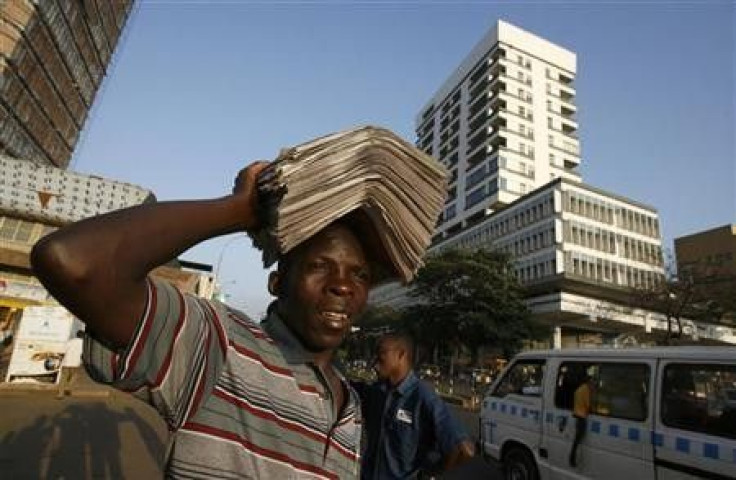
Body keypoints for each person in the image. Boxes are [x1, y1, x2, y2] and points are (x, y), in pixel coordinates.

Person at [31, 162, 385, 478]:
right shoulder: (219, 344)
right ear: (277, 283)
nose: (342, 285)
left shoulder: (351, 410)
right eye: (319, 266)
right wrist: (236, 211)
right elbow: (72, 261)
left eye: (360, 275)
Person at [353, 333, 475, 479]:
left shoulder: (424, 398)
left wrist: (429, 473)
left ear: (401, 355)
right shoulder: (376, 393)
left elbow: (465, 450)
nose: (374, 363)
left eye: (381, 356)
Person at [569, 374, 595, 467]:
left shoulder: (578, 389)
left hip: (577, 414)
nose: (593, 383)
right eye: (592, 381)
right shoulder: (586, 390)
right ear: (588, 381)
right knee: (578, 439)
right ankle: (573, 459)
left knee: (577, 439)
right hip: (582, 416)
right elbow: (588, 404)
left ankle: (573, 458)